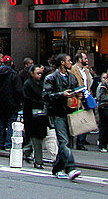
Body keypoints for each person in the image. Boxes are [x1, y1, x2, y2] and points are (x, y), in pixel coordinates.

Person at [43, 53, 82, 181]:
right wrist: (61, 94)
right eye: (69, 60)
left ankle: (57, 168)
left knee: (67, 142)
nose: (71, 62)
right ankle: (70, 168)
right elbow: (46, 95)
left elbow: (76, 89)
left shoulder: (72, 77)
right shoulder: (51, 78)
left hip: (70, 112)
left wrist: (79, 95)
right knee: (63, 141)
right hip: (57, 113)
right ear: (62, 63)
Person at [22, 64, 50, 169]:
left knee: (40, 137)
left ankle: (27, 150)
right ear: (32, 73)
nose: (40, 75)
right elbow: (27, 100)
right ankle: (38, 161)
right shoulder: (28, 84)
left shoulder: (41, 83)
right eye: (37, 73)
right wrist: (40, 102)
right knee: (36, 138)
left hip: (41, 114)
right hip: (32, 115)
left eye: (41, 73)